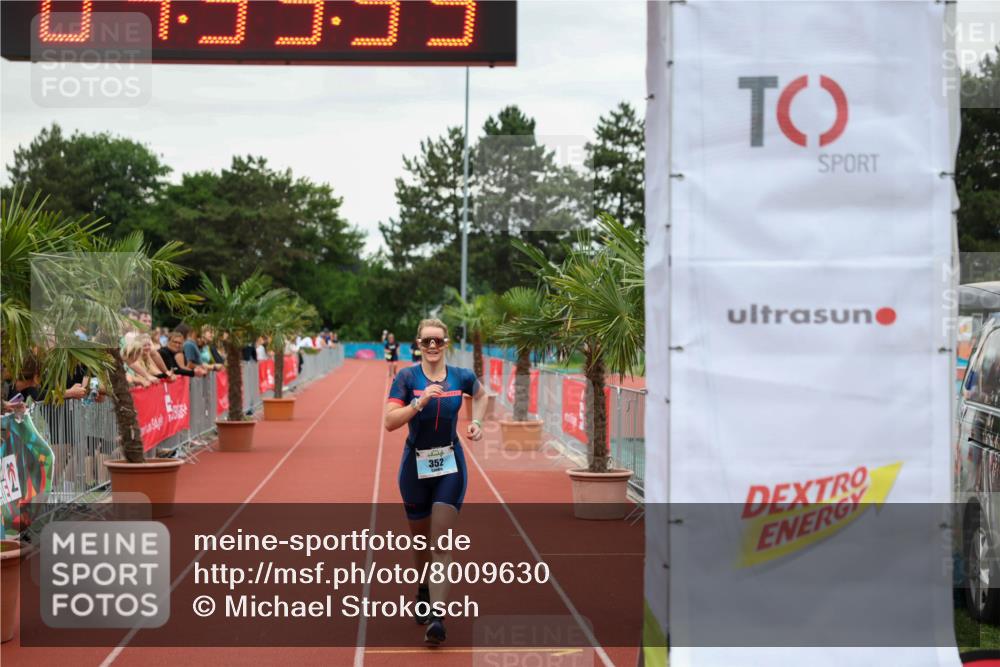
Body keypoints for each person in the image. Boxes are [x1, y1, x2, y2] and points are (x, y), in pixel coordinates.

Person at [383, 318, 486, 646]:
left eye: (437, 341)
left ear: (446, 344)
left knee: (441, 539)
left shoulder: (461, 376)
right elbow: (388, 421)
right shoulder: (406, 377)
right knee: (420, 540)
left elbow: (482, 395)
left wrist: (477, 422)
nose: (431, 346)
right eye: (426, 341)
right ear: (417, 343)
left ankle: (437, 617)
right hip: (415, 467)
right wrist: (418, 402)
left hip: (450, 465)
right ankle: (423, 588)